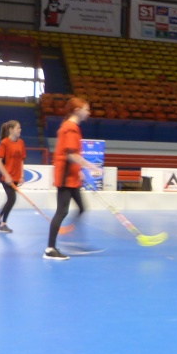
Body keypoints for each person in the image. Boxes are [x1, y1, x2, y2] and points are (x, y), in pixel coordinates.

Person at [45, 98, 101, 261]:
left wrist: (79, 172)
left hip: (72, 176)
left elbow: (71, 155)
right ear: (77, 110)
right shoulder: (70, 128)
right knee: (62, 211)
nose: (88, 112)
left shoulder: (71, 127)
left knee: (82, 208)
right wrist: (91, 167)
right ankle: (50, 249)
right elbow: (70, 155)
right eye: (86, 109)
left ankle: (71, 237)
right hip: (65, 177)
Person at [0, 120, 25, 234]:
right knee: (12, 198)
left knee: (10, 199)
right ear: (11, 130)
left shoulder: (21, 142)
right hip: (6, 177)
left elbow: (21, 160)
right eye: (18, 128)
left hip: (16, 176)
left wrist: (22, 175)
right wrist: (6, 176)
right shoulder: (4, 143)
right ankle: (2, 224)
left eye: (20, 128)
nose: (20, 130)